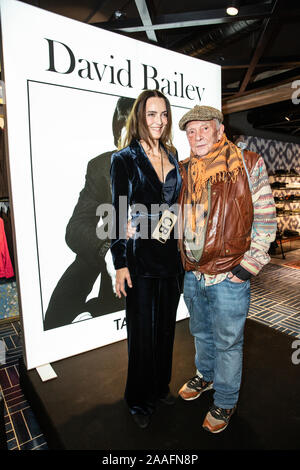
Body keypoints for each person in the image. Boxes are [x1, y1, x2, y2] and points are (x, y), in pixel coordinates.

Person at [177, 105, 276, 434]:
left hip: (230, 277)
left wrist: (247, 268)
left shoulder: (248, 164)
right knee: (200, 333)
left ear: (220, 130)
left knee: (228, 343)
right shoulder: (183, 170)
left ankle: (226, 400)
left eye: (204, 128)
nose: (197, 135)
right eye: (191, 131)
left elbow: (265, 220)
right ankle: (205, 376)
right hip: (193, 274)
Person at [110, 89, 183, 429]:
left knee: (166, 330)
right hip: (139, 262)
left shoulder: (173, 153)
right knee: (142, 334)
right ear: (140, 117)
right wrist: (120, 263)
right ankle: (139, 399)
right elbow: (118, 213)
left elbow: (175, 206)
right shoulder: (124, 159)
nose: (159, 120)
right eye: (152, 114)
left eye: (164, 114)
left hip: (171, 260)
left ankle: (159, 386)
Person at [44, 97, 134, 330]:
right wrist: (108, 250)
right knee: (57, 318)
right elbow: (75, 228)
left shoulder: (168, 164)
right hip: (111, 251)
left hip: (153, 261)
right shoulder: (101, 167)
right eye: (126, 140)